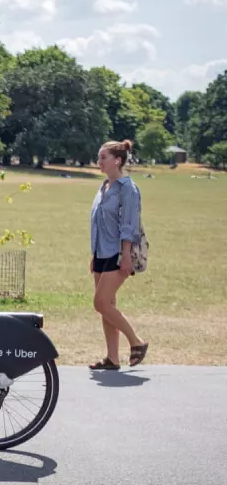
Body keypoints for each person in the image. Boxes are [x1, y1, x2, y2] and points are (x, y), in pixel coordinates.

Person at [89, 139, 148, 371]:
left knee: (100, 303)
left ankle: (137, 342)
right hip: (101, 253)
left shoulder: (128, 189)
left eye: (103, 157)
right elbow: (98, 223)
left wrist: (125, 256)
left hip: (118, 254)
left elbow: (129, 226)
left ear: (118, 160)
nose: (99, 161)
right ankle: (113, 358)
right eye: (99, 157)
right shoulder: (104, 187)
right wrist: (94, 253)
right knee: (108, 305)